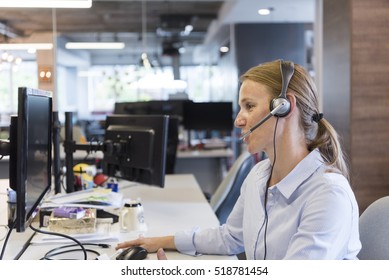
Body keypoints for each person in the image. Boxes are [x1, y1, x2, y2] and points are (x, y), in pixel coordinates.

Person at [116, 59, 361, 260]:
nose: (238, 120)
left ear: (284, 107)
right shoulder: (259, 175)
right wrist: (162, 241)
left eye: (249, 106)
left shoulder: (327, 194)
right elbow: (231, 237)